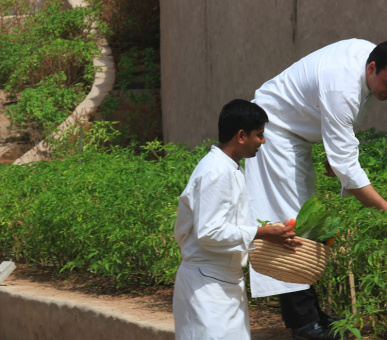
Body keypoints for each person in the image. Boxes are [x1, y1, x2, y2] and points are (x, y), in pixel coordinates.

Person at [245, 38, 387, 340]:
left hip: (293, 134)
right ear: (372, 67)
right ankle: (305, 324)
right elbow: (348, 169)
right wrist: (385, 208)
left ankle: (310, 315)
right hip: (275, 132)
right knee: (290, 226)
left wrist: (335, 156)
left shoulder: (367, 58)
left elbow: (338, 135)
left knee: (304, 225)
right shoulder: (343, 86)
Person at [173, 99, 303, 340]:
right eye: (259, 135)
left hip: (222, 281)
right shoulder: (216, 172)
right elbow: (209, 232)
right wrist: (261, 233)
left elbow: (229, 225)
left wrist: (268, 235)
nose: (263, 141)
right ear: (241, 135)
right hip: (206, 285)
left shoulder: (230, 168)